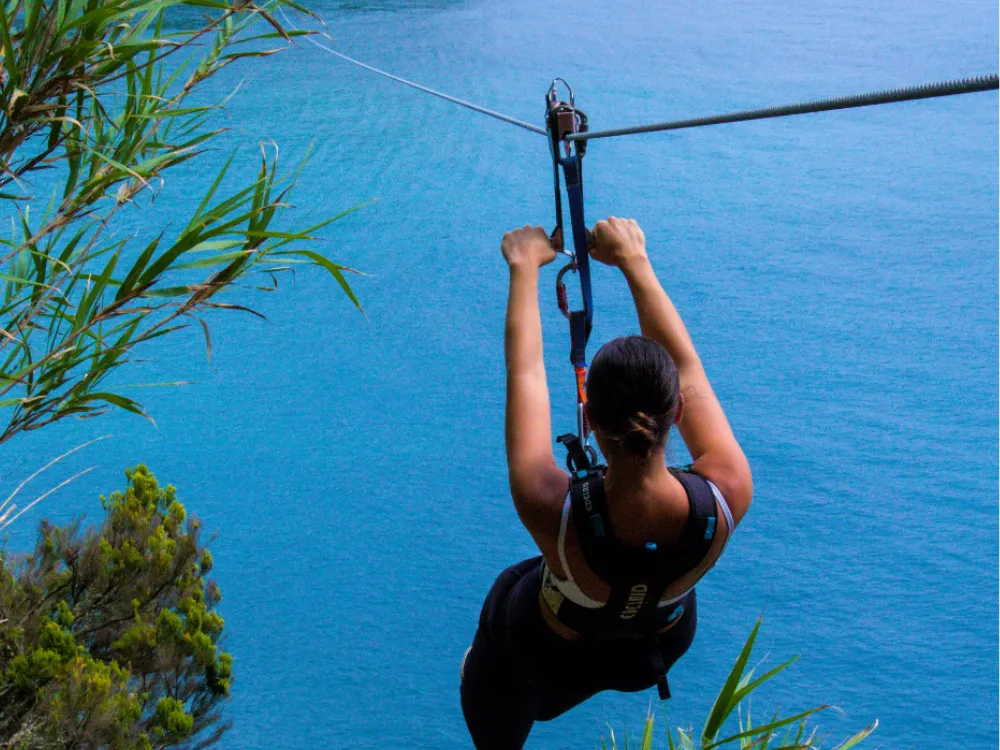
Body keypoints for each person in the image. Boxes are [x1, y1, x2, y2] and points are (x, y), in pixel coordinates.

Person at [459, 217, 754, 749]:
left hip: (548, 652)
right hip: (651, 652)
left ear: (589, 420)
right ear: (677, 412)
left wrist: (524, 266)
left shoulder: (552, 510)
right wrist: (635, 262)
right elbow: (687, 367)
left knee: (510, 595)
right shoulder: (729, 490)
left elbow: (526, 373)